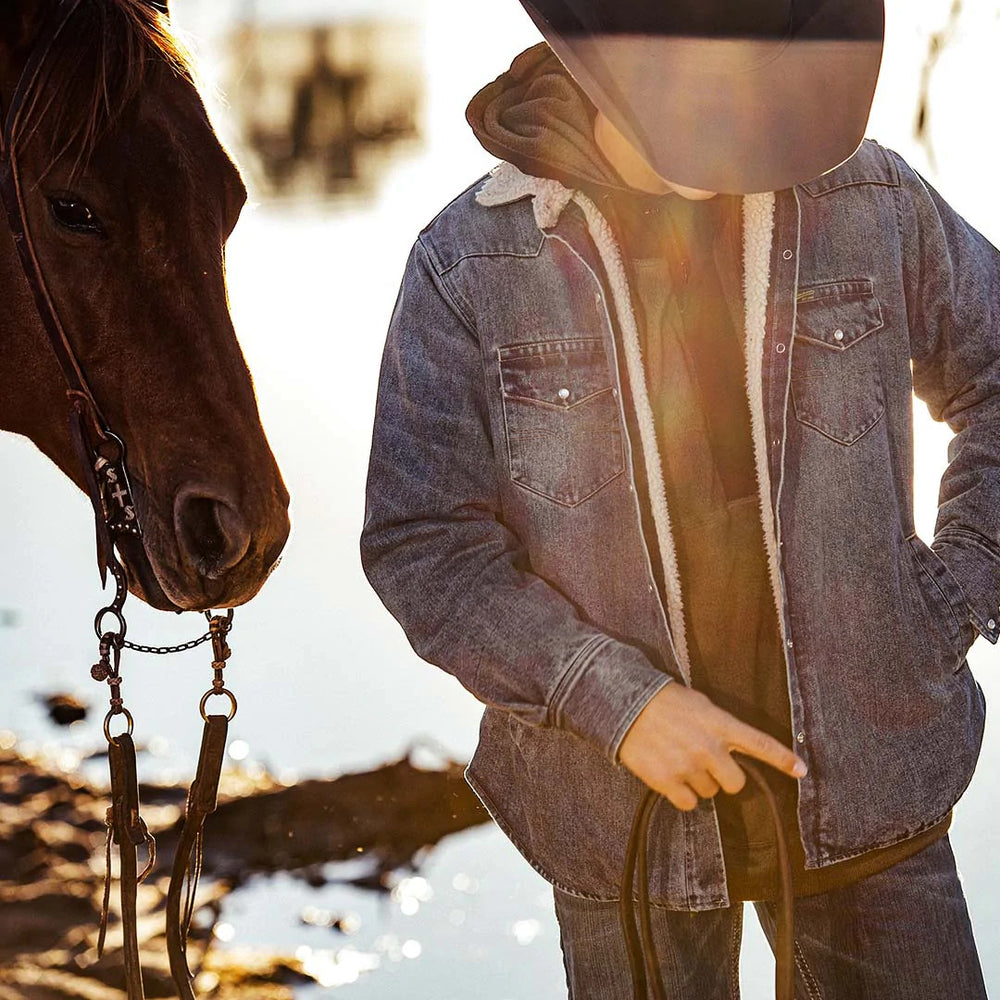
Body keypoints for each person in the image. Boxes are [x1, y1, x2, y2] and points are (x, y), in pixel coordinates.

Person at [361, 1, 999, 995]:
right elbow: (422, 544)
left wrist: (951, 598)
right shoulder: (467, 262)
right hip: (620, 823)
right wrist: (617, 703)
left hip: (877, 794)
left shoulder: (870, 195)